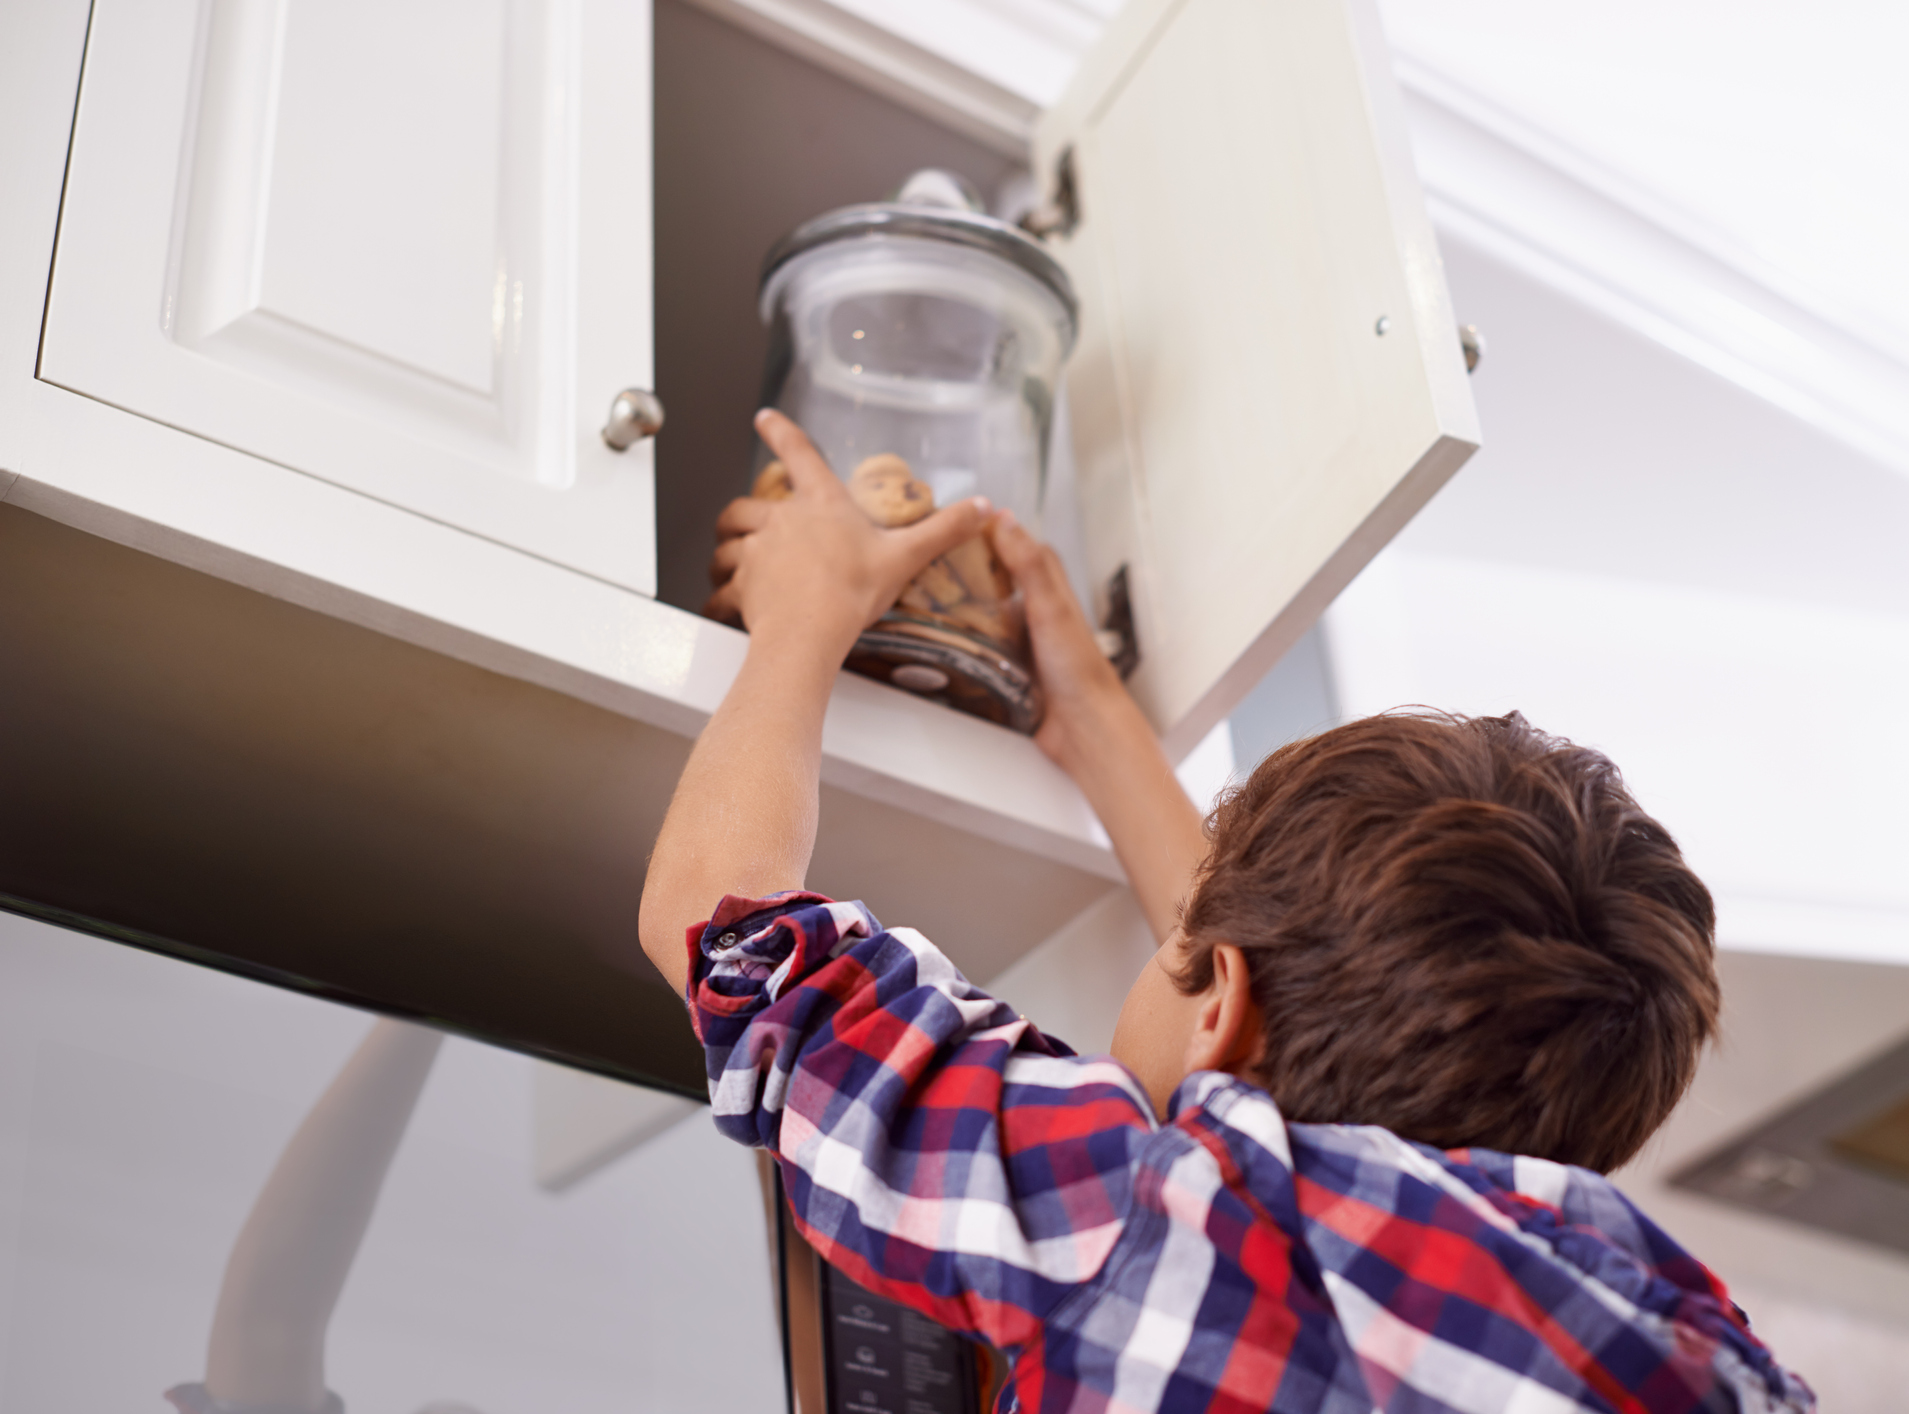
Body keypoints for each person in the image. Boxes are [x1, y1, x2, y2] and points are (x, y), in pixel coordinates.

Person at [637, 409, 1814, 1413]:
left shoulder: (1151, 1216)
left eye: (1175, 951)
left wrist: (803, 623)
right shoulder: (1711, 1357)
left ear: (1222, 1003)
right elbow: (1270, 1043)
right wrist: (1093, 713)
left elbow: (722, 931)